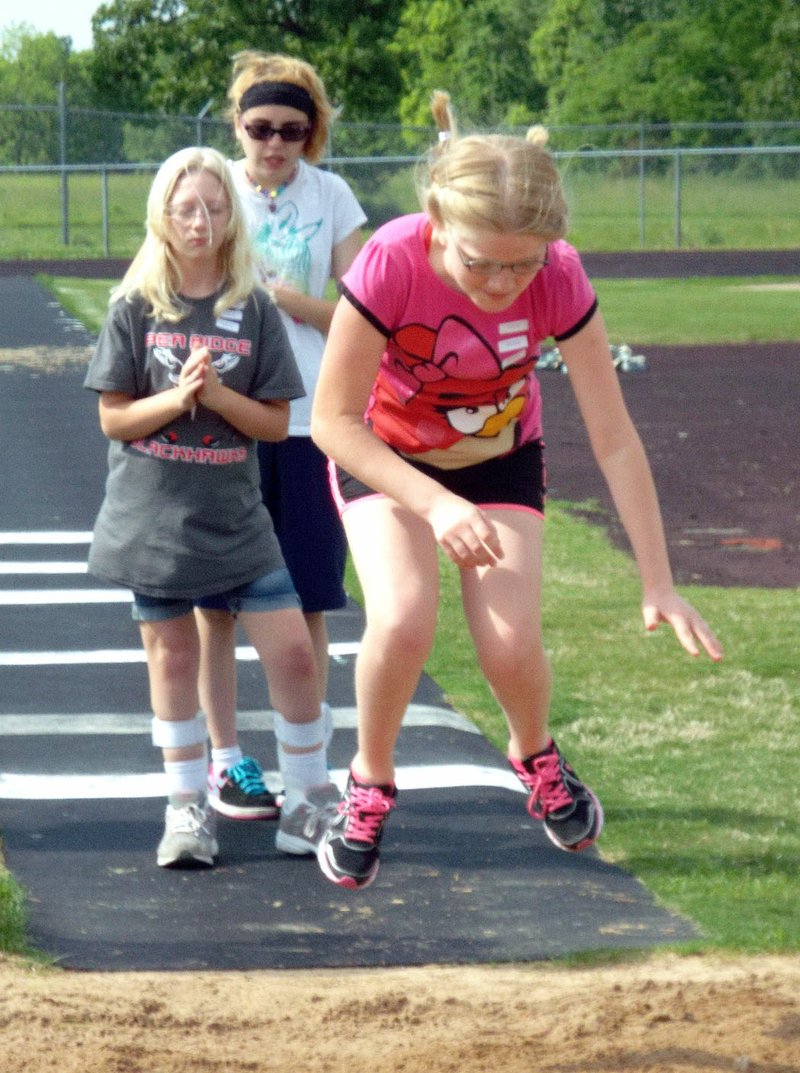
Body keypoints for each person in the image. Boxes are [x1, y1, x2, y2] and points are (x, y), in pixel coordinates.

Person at [310, 92, 724, 891]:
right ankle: (369, 779)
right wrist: (432, 502)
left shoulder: (560, 275)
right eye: (479, 262)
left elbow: (614, 435)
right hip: (386, 450)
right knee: (401, 619)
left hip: (499, 454)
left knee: (508, 642)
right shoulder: (392, 259)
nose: (502, 282)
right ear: (437, 223)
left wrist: (658, 579)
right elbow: (331, 421)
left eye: (522, 263)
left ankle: (534, 752)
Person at [84, 146, 337, 868]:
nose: (202, 220)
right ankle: (187, 808)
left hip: (237, 516)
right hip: (153, 519)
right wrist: (178, 397)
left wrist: (220, 397)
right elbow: (114, 418)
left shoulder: (251, 306)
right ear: (163, 214)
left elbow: (271, 420)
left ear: (232, 217)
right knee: (173, 655)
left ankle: (309, 799)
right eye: (188, 207)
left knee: (291, 649)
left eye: (216, 207)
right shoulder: (135, 304)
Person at [198, 50, 366, 820]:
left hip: (306, 421)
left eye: (291, 131)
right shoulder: (213, 186)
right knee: (215, 601)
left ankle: (309, 769)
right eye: (260, 127)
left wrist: (298, 302)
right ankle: (225, 762)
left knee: (306, 597)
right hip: (223, 417)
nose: (273, 144)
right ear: (237, 125)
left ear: (311, 133)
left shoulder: (331, 195)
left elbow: (369, 315)